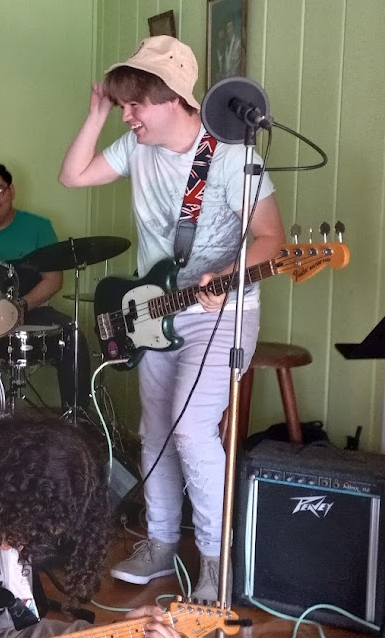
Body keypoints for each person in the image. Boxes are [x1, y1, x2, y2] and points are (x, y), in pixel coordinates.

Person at [58, 35, 285, 601]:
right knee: (154, 430)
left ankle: (214, 558)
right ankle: (159, 544)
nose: (127, 115)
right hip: (155, 311)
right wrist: (96, 112)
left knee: (189, 429)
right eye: (122, 103)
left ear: (173, 99)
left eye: (136, 103)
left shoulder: (233, 155)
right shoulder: (135, 148)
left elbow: (273, 242)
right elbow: (73, 176)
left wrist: (228, 274)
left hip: (221, 311)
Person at [0, 416, 181, 638]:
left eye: (34, 537)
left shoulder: (15, 541)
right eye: (17, 531)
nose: (16, 548)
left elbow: (14, 631)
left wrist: (112, 633)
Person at [0, 164, 90, 412]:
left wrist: (19, 307)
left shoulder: (38, 226)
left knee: (72, 335)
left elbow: (53, 280)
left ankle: (76, 417)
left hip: (30, 308)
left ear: (11, 190)